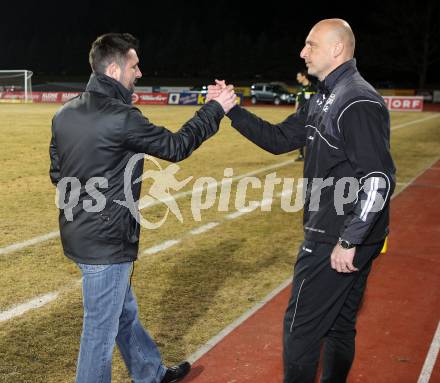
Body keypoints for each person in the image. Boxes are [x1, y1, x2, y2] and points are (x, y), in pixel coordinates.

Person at [208, 19, 396, 383]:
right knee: (340, 326)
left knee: (300, 333)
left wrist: (349, 239)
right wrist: (233, 110)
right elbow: (280, 139)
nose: (302, 52)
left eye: (310, 45)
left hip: (336, 237)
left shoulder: (356, 100)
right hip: (344, 232)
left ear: (337, 49)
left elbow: (378, 180)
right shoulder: (322, 97)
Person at [49, 33, 236, 383]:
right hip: (106, 240)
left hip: (79, 233)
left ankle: (150, 373)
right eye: (135, 66)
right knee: (99, 333)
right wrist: (215, 108)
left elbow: (58, 173)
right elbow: (177, 146)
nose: (140, 72)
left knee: (121, 311)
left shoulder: (65, 112)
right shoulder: (121, 117)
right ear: (116, 68)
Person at [294, 70, 316, 161]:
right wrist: (295, 113)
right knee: (300, 134)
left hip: (311, 115)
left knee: (312, 135)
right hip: (300, 116)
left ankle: (313, 155)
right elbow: (297, 101)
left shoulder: (313, 88)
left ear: (304, 76)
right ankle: (301, 155)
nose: (297, 78)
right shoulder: (299, 89)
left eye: (298, 76)